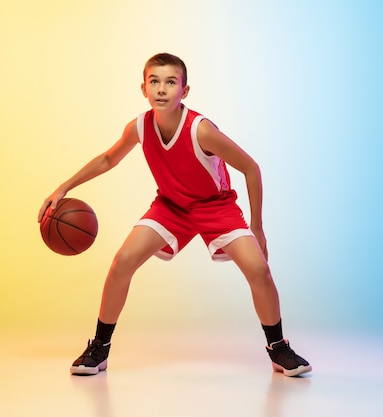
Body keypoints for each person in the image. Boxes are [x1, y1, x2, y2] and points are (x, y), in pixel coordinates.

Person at [37, 53, 311, 377]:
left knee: (259, 270)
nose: (162, 89)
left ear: (185, 90)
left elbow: (251, 168)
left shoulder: (201, 130)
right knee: (122, 261)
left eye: (170, 82)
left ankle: (278, 349)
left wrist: (258, 227)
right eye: (155, 81)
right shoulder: (139, 126)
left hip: (216, 207)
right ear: (144, 88)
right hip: (171, 206)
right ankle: (99, 347)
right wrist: (63, 188)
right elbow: (109, 158)